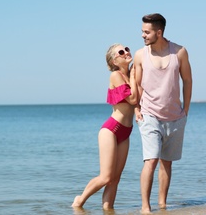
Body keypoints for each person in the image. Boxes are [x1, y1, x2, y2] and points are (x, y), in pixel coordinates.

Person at [133, 13, 193, 213]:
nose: (143, 35)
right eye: (142, 31)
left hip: (175, 117)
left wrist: (186, 110)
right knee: (150, 160)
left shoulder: (179, 52)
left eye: (146, 32)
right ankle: (145, 207)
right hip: (150, 115)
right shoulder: (141, 55)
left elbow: (188, 80)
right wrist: (136, 108)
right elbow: (137, 84)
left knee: (167, 163)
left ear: (159, 32)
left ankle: (162, 205)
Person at [72, 43, 138, 210]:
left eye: (127, 49)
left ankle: (108, 210)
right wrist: (136, 77)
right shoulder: (116, 76)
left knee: (116, 178)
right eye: (121, 52)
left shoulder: (132, 74)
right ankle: (79, 201)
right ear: (114, 61)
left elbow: (137, 102)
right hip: (111, 130)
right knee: (106, 177)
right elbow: (132, 99)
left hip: (126, 132)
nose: (126, 53)